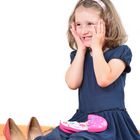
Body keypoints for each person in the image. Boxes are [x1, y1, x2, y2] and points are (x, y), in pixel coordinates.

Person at [34, 0, 140, 139]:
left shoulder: (120, 52)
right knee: (54, 137)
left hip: (110, 122)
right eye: (78, 25)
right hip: (84, 119)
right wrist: (81, 50)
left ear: (106, 23)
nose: (83, 30)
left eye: (90, 24)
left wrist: (96, 47)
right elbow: (72, 83)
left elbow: (104, 79)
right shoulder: (79, 56)